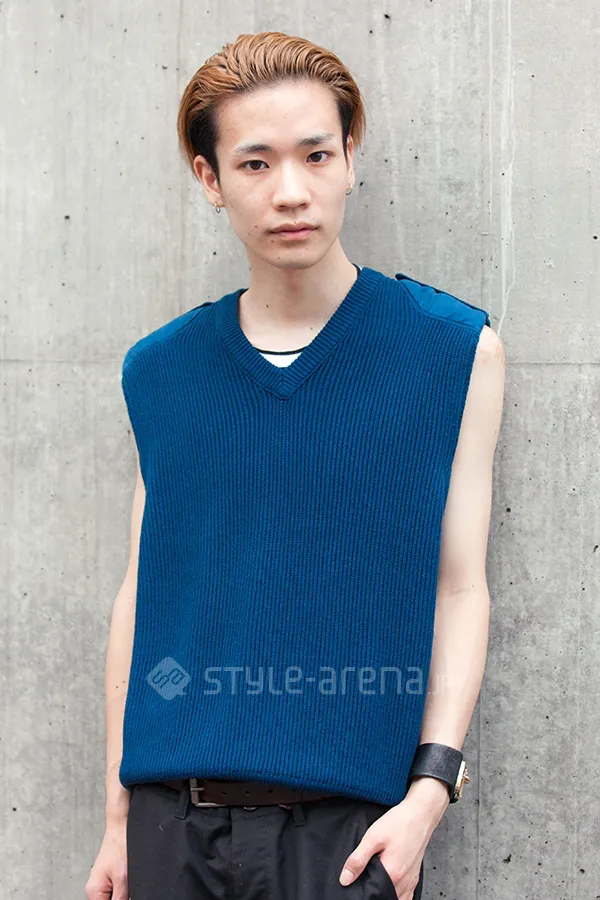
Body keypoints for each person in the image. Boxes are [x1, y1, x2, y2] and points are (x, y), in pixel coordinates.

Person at [86, 30, 506, 900]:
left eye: (316, 155)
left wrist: (430, 794)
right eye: (255, 163)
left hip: (349, 835)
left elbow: (461, 586)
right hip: (171, 824)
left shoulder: (451, 350)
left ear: (350, 158)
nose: (291, 191)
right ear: (210, 179)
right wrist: (118, 817)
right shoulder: (160, 370)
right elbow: (143, 592)